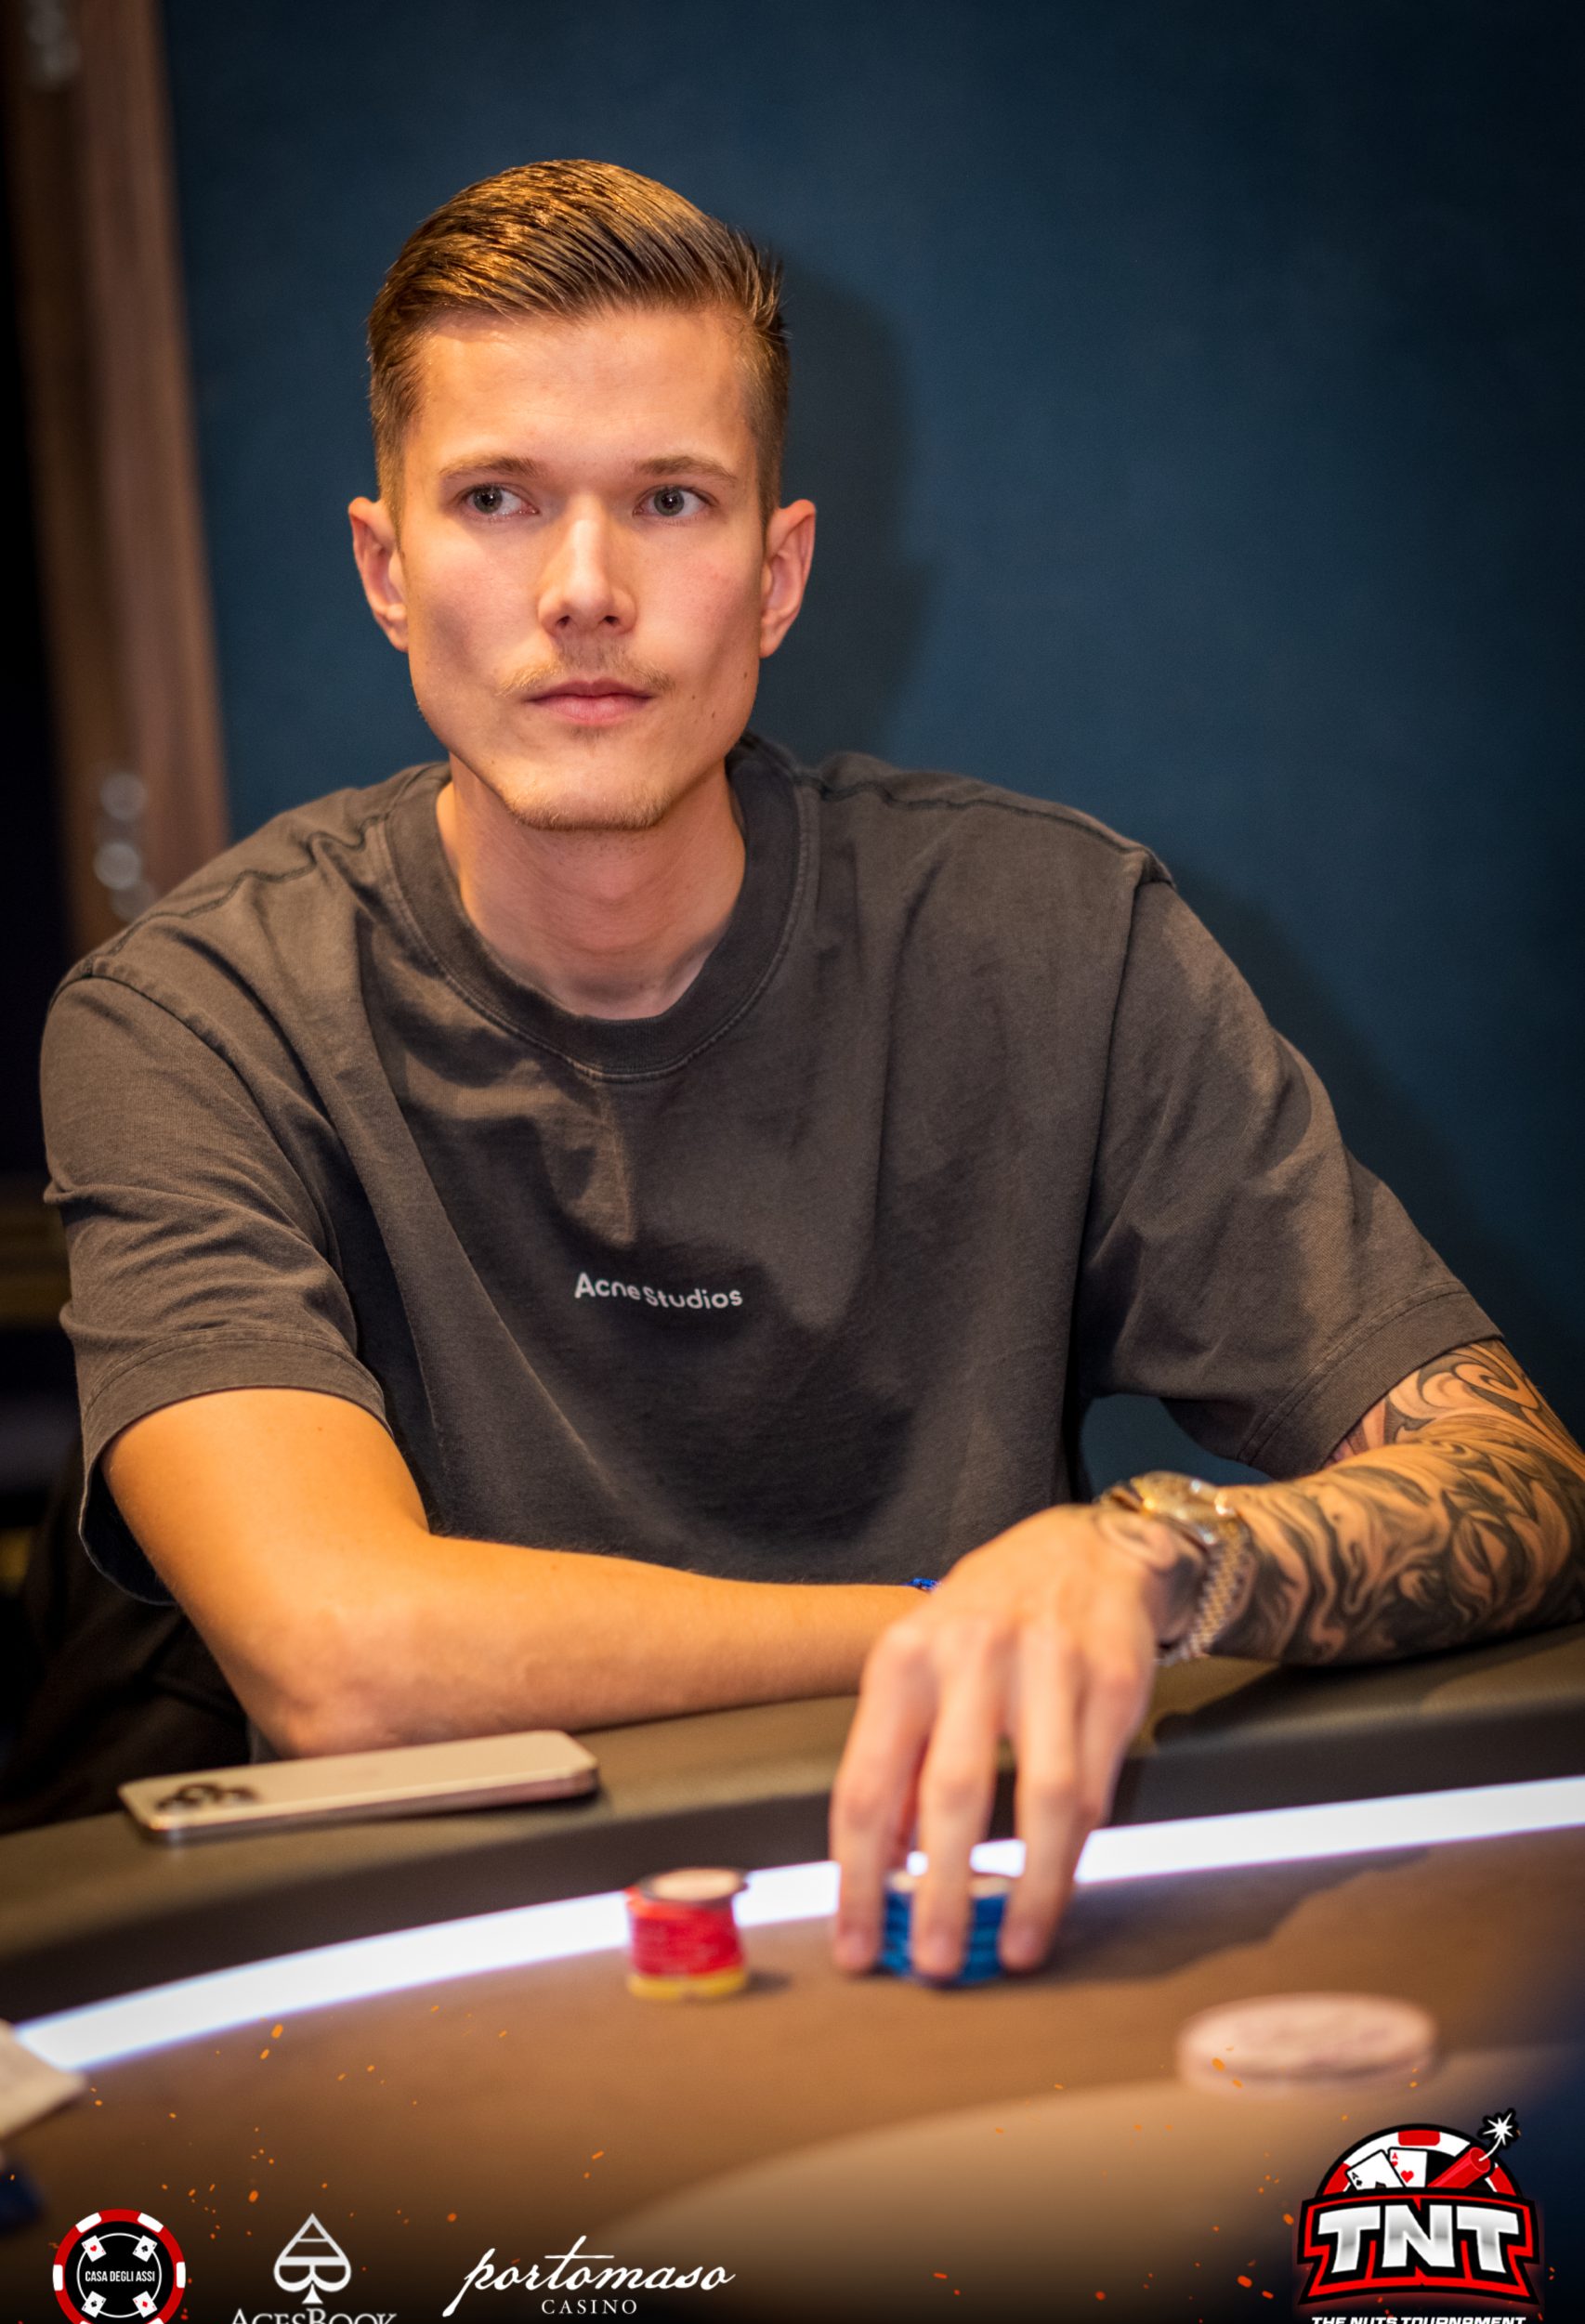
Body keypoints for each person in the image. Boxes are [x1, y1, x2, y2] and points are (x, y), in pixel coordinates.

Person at [41, 161, 1584, 1981]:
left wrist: (1152, 1566)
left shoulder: (1053, 941)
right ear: (388, 570)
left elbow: (1519, 1473)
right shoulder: (189, 1016)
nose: (585, 591)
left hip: (962, 1938)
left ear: (775, 576)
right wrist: (961, 1619)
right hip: (444, 1978)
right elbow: (341, 1659)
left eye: (669, 500)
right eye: (498, 500)